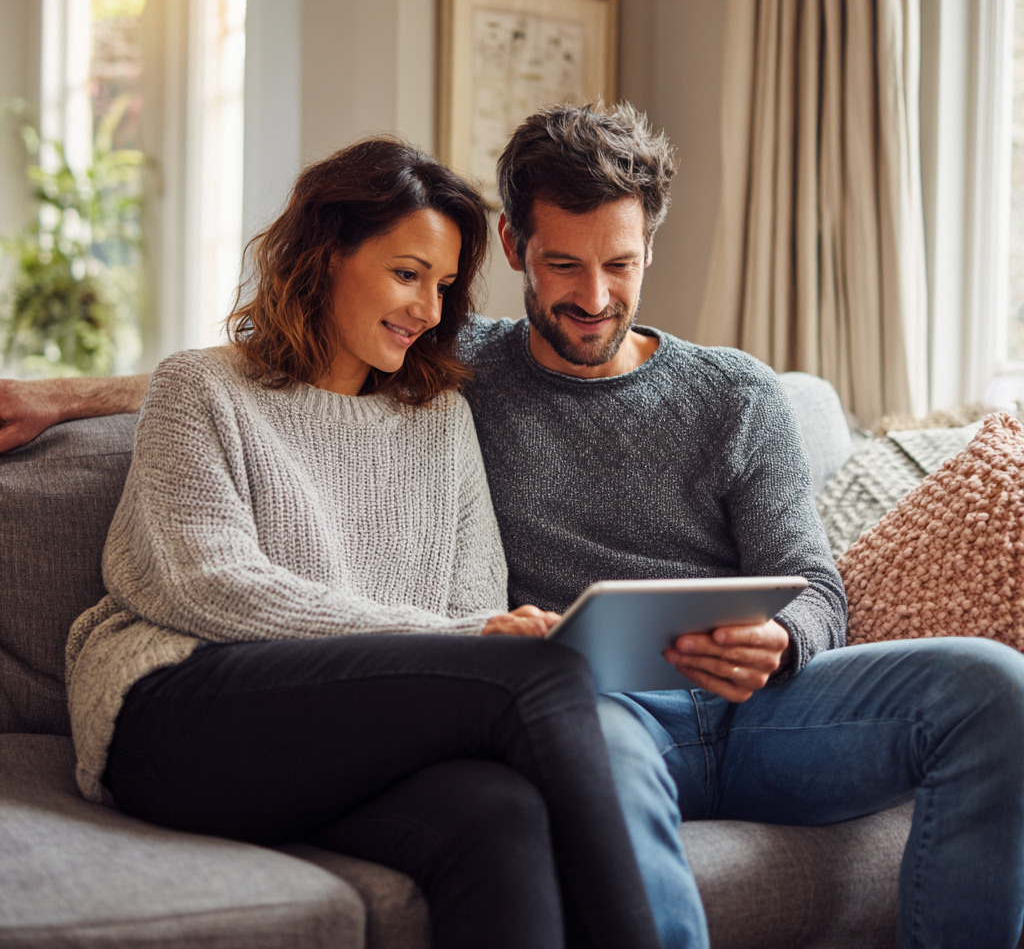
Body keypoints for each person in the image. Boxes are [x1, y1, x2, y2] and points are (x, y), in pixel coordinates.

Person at [5, 104, 1024, 949]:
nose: (592, 297)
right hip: (576, 705)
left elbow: (807, 579)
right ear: (517, 248)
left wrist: (785, 634)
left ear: (649, 246)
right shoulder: (453, 365)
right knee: (558, 704)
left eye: (619, 266)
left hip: (750, 708)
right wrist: (64, 395)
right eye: (563, 266)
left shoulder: (684, 393)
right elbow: (279, 371)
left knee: (992, 685)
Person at [55, 138, 663, 949]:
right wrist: (453, 640)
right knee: (538, 674)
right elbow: (209, 585)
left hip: (345, 737)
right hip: (173, 713)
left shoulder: (440, 419)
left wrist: (462, 635)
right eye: (407, 274)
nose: (428, 309)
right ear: (324, 256)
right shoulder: (199, 389)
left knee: (501, 813)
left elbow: (470, 603)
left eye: (444, 286)